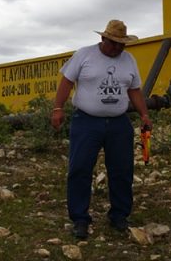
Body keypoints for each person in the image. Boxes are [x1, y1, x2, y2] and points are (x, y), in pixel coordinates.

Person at [51, 20, 152, 240]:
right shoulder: (84, 55)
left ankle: (119, 215)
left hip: (118, 122)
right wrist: (58, 108)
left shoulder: (129, 60)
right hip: (86, 121)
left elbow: (134, 90)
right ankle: (79, 218)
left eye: (121, 45)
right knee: (80, 168)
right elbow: (66, 82)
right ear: (103, 39)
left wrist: (144, 114)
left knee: (122, 170)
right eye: (113, 43)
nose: (117, 48)